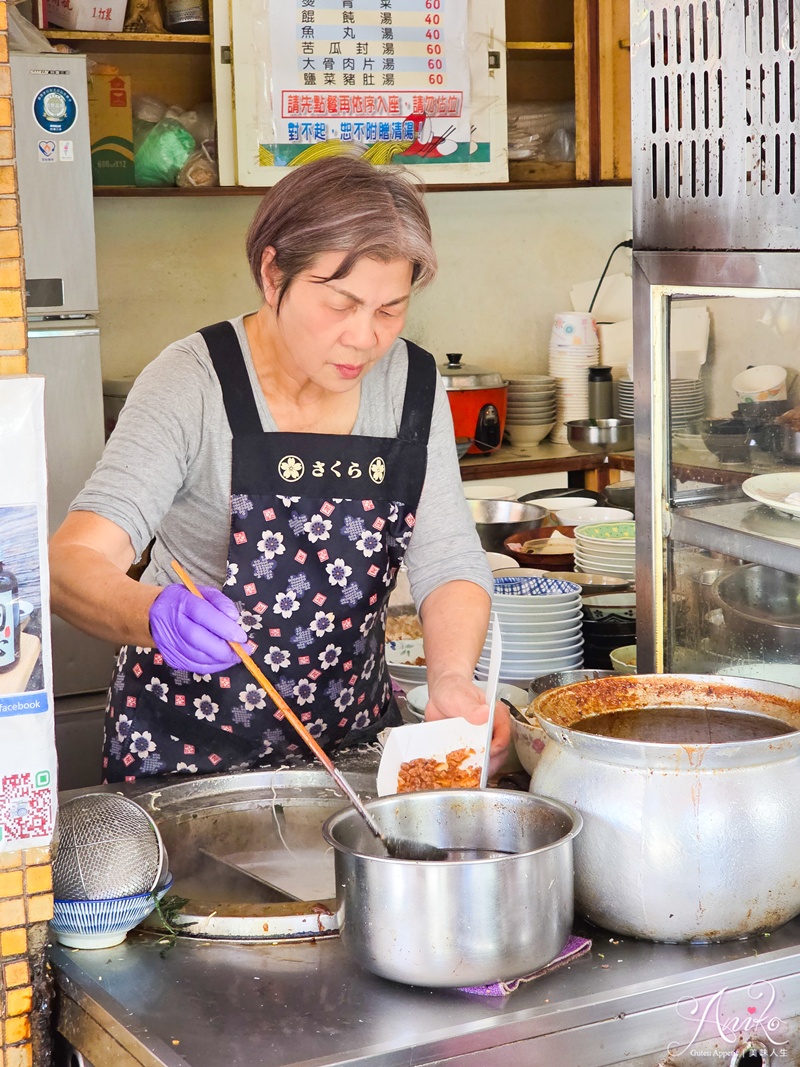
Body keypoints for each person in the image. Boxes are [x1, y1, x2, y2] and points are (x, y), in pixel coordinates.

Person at [49, 154, 509, 782]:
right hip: (186, 757)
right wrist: (152, 614)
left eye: (389, 309)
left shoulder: (411, 384)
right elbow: (71, 564)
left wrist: (451, 680)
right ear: (273, 274)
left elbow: (448, 557)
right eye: (340, 303)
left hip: (353, 753)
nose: (364, 338)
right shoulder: (192, 382)